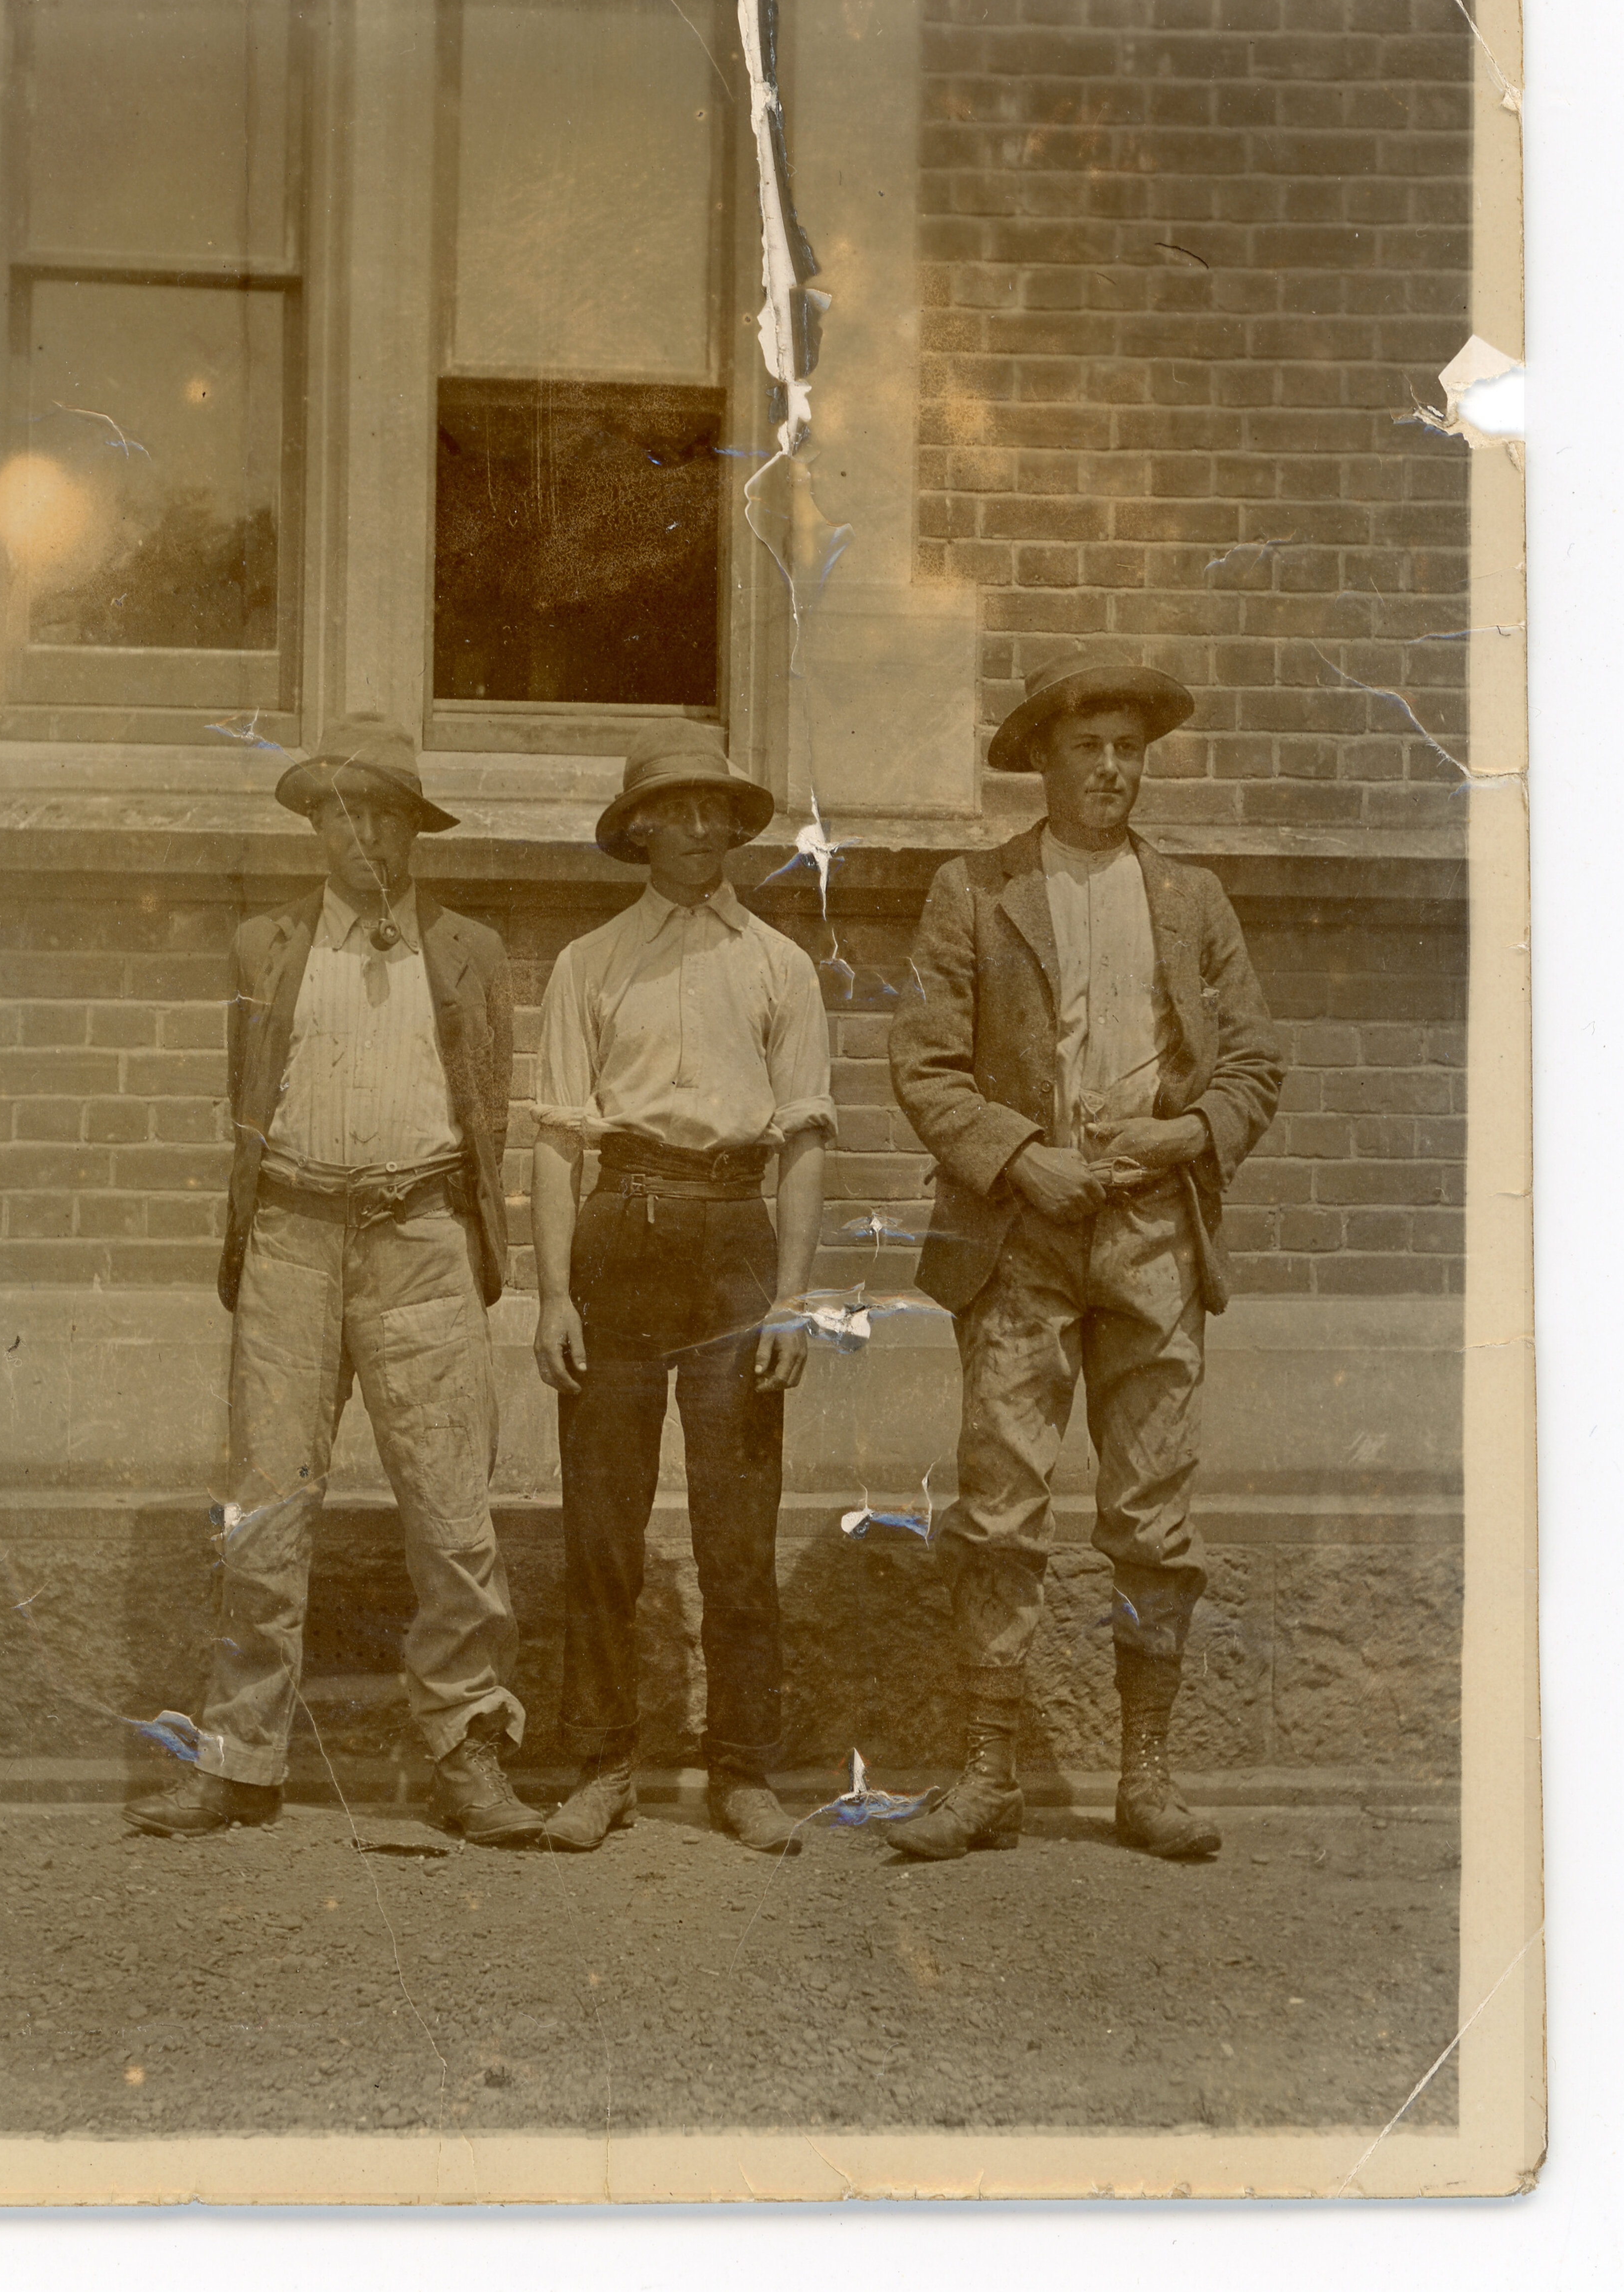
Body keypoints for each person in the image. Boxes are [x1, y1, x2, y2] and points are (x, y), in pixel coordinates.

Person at [884, 646, 1285, 1864]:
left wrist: (1183, 1132)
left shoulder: (1191, 898)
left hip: (1154, 1234)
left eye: (1128, 750)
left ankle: (1144, 1776)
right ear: (1042, 764)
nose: (1111, 770)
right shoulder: (975, 891)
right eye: (1087, 749)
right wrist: (1015, 1157)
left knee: (1152, 1514)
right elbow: (924, 1068)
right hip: (1019, 1237)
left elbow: (1256, 1066)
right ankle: (987, 1772)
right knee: (1001, 1506)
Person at [126, 715, 543, 1847]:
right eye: (338, 813)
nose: (361, 837)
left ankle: (465, 1751)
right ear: (313, 827)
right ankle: (240, 1760)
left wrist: (453, 1229)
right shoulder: (264, 948)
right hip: (294, 1241)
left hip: (420, 1235)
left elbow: (489, 1112)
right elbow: (246, 1103)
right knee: (264, 1509)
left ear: (415, 829)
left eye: (383, 814)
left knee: (454, 1517)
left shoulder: (466, 952)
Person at [531, 723, 836, 1854]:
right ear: (640, 827)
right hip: (619, 1236)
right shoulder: (589, 963)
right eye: (678, 809)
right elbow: (557, 1142)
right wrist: (553, 1295)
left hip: (733, 1243)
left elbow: (804, 1138)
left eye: (718, 809)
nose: (700, 828)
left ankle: (742, 1771)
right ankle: (599, 1767)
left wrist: (793, 1297)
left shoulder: (776, 966)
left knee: (736, 1527)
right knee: (601, 1525)